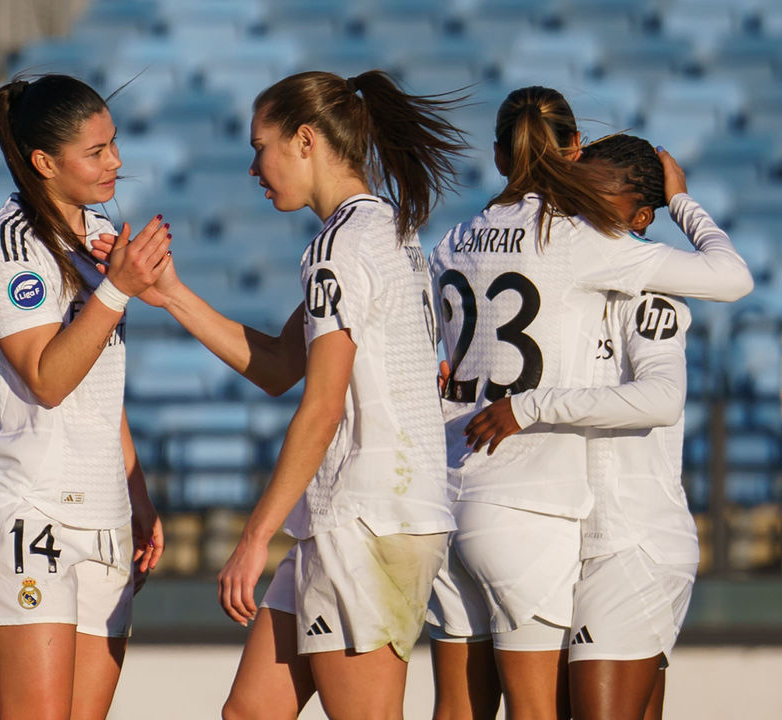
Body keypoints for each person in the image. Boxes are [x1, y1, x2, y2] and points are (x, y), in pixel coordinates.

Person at [98, 68, 469, 719]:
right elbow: (276, 365)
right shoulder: (386, 231)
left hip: (366, 521)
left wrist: (253, 538)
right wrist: (173, 296)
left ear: (304, 140)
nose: (252, 166)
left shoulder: (337, 247)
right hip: (365, 515)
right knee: (249, 712)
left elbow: (322, 405)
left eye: (258, 145)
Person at [426, 88, 752, 720]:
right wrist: (682, 200)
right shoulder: (588, 248)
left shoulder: (451, 242)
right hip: (532, 508)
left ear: (498, 154)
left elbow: (658, 397)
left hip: (469, 498)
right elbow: (732, 277)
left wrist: (514, 400)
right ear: (570, 153)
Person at [464, 134, 703, 720]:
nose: (578, 206)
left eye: (597, 195)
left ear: (642, 216)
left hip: (632, 541)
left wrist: (533, 405)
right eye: (575, 191)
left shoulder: (649, 291)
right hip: (581, 541)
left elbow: (662, 398)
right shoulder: (568, 276)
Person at [0, 73, 169, 720]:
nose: (117, 162)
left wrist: (135, 493)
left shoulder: (98, 230)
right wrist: (117, 291)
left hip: (101, 511)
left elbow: (98, 385)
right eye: (97, 151)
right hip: (30, 509)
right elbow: (47, 379)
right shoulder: (13, 242)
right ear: (45, 163)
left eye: (113, 144)